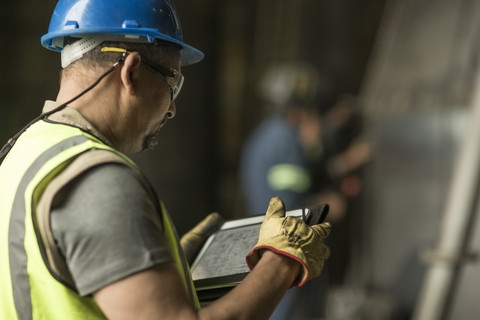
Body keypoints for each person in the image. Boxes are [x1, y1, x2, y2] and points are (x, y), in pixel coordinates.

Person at [0, 1, 331, 319]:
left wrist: (160, 264)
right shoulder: (96, 179)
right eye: (172, 81)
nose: (172, 107)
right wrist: (281, 262)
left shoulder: (24, 151)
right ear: (131, 71)